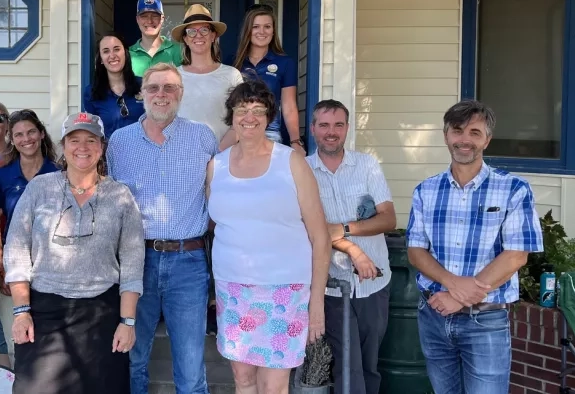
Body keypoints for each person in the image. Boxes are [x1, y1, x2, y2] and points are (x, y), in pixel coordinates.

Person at [407, 100, 544, 394]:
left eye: (474, 132)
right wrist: (452, 285)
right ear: (446, 135)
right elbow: (415, 251)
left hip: (486, 320)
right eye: (457, 131)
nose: (464, 140)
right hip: (434, 315)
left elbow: (516, 254)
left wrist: (461, 297)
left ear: (487, 139)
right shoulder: (425, 190)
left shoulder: (514, 189)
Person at [4, 112, 145, 394]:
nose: (83, 147)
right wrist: (21, 313)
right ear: (63, 145)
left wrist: (127, 322)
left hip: (101, 312)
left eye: (90, 140)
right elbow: (17, 250)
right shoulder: (39, 189)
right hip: (44, 310)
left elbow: (132, 261)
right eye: (74, 139)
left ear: (101, 147)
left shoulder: (120, 195)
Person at [209, 80, 330, 394]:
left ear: (269, 117)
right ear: (231, 116)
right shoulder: (216, 166)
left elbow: (320, 236)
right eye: (242, 109)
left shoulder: (290, 162)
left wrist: (316, 301)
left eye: (258, 110)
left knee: (273, 386)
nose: (250, 117)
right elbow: (216, 226)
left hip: (284, 291)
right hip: (233, 289)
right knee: (243, 381)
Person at [107, 62, 219, 394]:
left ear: (180, 94)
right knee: (133, 356)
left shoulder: (202, 136)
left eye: (170, 88)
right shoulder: (120, 141)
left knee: (190, 364)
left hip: (189, 260)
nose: (161, 94)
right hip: (135, 260)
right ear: (141, 94)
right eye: (154, 87)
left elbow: (217, 194)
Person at [305, 99, 396, 394]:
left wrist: (341, 228)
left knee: (369, 365)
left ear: (347, 128)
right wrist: (351, 247)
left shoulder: (367, 165)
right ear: (313, 129)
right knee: (349, 366)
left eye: (338, 125)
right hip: (332, 287)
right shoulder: (303, 170)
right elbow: (307, 230)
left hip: (375, 284)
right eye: (324, 125)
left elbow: (389, 219)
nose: (331, 132)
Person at [0, 109, 59, 369]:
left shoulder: (59, 173)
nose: (26, 138)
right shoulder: (3, 176)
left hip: (51, 266)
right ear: (12, 139)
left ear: (41, 134)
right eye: (18, 134)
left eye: (31, 132)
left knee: (48, 339)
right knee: (15, 336)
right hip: (14, 264)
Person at [233, 4, 303, 152]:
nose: (262, 32)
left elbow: (289, 105)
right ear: (248, 30)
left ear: (273, 31)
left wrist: (295, 141)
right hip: (238, 132)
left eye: (267, 27)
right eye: (256, 27)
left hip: (270, 133)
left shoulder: (284, 63)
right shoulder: (233, 62)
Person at [172, 4, 243, 149]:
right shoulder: (173, 76)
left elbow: (241, 117)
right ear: (185, 38)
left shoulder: (231, 75)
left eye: (204, 30)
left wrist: (218, 154)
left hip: (223, 158)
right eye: (191, 31)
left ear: (213, 36)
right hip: (181, 157)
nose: (198, 35)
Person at [83, 32, 145, 138]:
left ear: (125, 53)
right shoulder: (91, 92)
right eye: (106, 51)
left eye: (117, 49)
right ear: (101, 59)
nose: (112, 55)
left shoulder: (144, 85)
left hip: (143, 152)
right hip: (109, 152)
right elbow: (92, 132)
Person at [129, 0, 182, 77]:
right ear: (137, 19)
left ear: (162, 19)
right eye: (144, 16)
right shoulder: (127, 54)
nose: (150, 21)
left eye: (155, 16)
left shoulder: (179, 52)